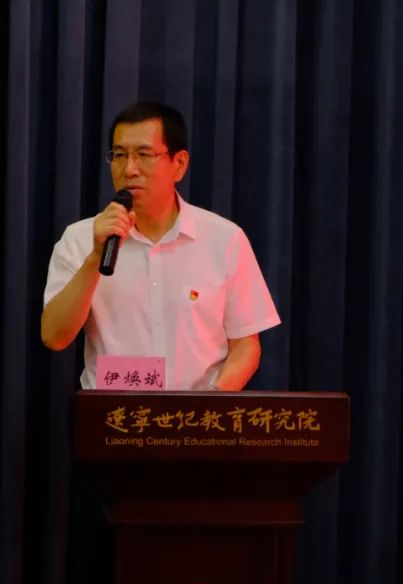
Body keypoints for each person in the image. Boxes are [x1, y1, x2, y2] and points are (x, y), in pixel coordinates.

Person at [41, 101, 280, 390]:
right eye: (119, 155)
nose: (130, 169)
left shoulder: (224, 239)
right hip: (113, 415)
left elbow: (246, 347)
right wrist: (95, 257)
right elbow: (54, 336)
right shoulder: (80, 238)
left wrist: (208, 405)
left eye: (144, 155)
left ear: (179, 164)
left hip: (196, 414)